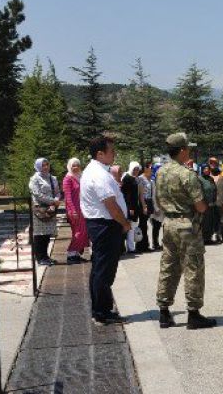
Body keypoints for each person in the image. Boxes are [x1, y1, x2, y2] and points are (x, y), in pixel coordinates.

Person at [154, 132, 216, 330]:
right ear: (182, 150)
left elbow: (158, 200)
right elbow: (200, 206)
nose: (189, 151)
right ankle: (194, 314)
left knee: (168, 266)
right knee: (193, 267)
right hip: (186, 226)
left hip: (169, 223)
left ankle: (164, 312)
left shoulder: (161, 172)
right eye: (187, 148)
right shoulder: (186, 174)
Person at [80, 136, 129, 325]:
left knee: (101, 268)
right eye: (111, 151)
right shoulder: (98, 174)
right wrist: (124, 223)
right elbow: (111, 204)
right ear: (100, 154)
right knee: (104, 270)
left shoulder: (97, 171)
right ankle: (101, 312)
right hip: (105, 225)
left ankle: (102, 308)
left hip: (102, 224)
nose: (114, 154)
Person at [30, 158, 61, 266]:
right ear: (38, 166)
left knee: (47, 234)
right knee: (40, 235)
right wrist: (53, 201)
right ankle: (40, 258)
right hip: (40, 210)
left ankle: (46, 257)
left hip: (50, 209)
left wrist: (56, 200)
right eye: (43, 165)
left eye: (47, 164)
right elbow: (37, 194)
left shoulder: (52, 178)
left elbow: (57, 192)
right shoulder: (34, 179)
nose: (46, 167)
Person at [63, 158, 90, 264]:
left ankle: (76, 254)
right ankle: (71, 254)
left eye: (77, 165)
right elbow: (68, 197)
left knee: (82, 232)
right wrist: (73, 210)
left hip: (82, 209)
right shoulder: (68, 179)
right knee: (79, 232)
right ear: (69, 166)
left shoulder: (80, 177)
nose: (76, 167)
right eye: (73, 165)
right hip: (74, 210)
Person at [120, 162, 143, 254]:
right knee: (128, 227)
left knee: (132, 227)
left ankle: (131, 247)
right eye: (134, 169)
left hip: (135, 206)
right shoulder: (127, 178)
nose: (136, 171)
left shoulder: (134, 178)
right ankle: (126, 248)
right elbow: (126, 195)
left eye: (137, 169)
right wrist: (130, 208)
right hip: (129, 207)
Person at [198, 164, 219, 245]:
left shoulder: (211, 178)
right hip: (204, 204)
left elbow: (214, 189)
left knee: (210, 222)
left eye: (208, 168)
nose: (206, 170)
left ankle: (208, 238)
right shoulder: (199, 179)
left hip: (212, 204)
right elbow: (199, 192)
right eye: (205, 169)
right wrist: (204, 202)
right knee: (204, 222)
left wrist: (214, 200)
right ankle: (203, 239)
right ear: (202, 169)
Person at [136, 163, 154, 252]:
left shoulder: (150, 179)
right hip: (144, 202)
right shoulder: (141, 179)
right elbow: (141, 195)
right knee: (143, 225)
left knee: (145, 224)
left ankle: (144, 245)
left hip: (149, 201)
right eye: (150, 168)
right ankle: (141, 246)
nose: (152, 170)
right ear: (145, 169)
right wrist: (144, 206)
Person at [150, 164, 164, 250]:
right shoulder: (153, 181)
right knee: (156, 227)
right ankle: (155, 243)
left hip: (164, 208)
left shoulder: (163, 180)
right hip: (157, 208)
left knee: (165, 227)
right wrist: (156, 208)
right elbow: (153, 196)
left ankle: (164, 243)